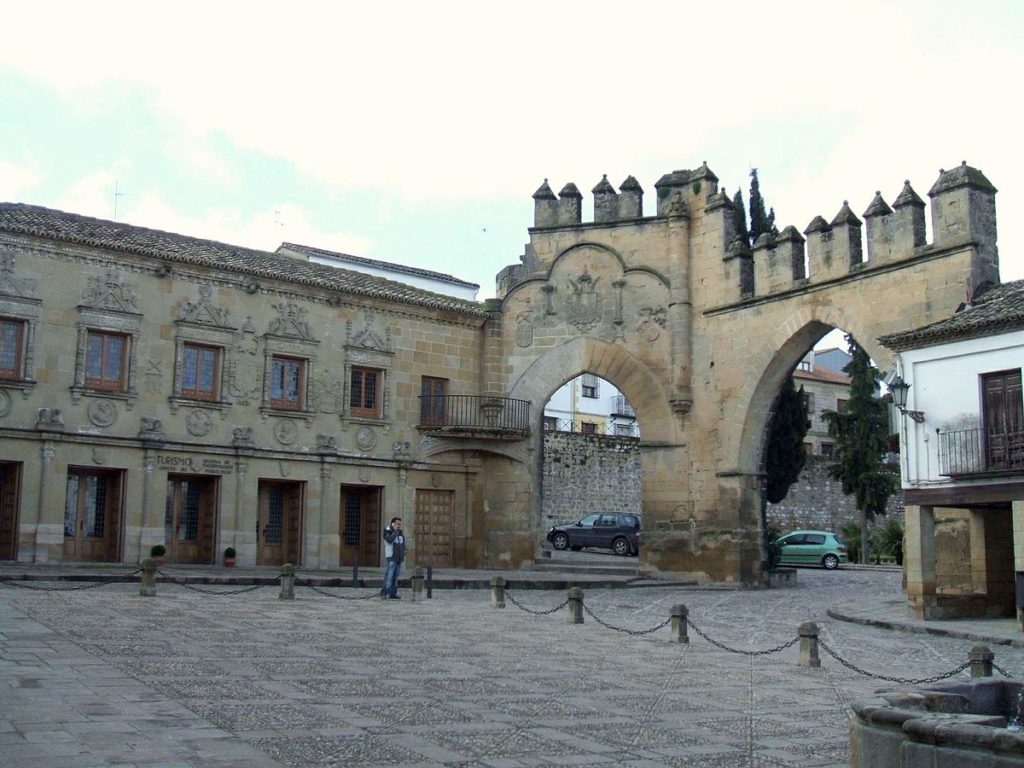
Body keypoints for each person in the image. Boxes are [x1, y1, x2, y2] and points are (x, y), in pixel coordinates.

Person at [379, 517, 406, 599]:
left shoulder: (400, 532)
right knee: (389, 576)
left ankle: (393, 593)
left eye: (400, 524)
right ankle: (384, 593)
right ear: (393, 524)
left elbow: (402, 543)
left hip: (399, 557)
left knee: (395, 576)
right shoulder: (387, 531)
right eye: (397, 524)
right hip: (391, 556)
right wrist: (394, 531)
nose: (399, 525)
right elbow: (389, 540)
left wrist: (404, 550)